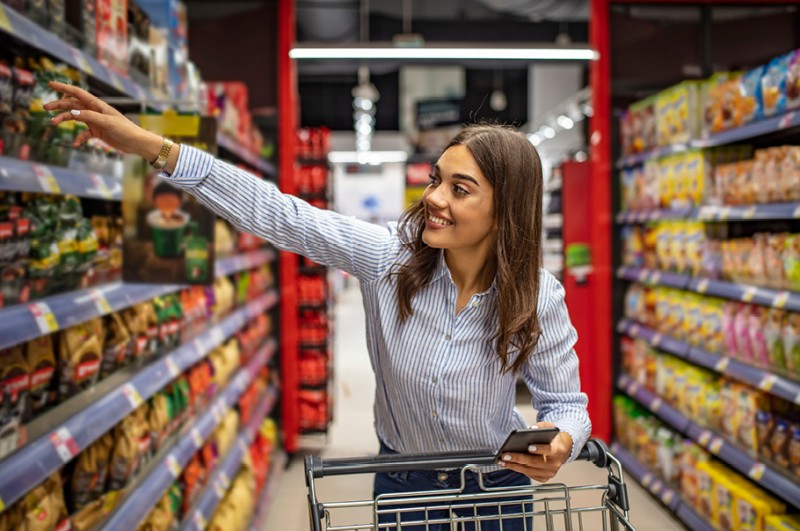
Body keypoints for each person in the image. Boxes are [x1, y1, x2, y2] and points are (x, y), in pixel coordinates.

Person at [45, 82, 591, 530]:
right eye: (435, 180)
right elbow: (280, 214)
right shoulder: (389, 260)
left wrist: (562, 441)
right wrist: (152, 146)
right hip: (404, 486)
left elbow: (566, 401)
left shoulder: (538, 296)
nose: (434, 198)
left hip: (495, 492)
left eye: (460, 189)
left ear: (505, 211)